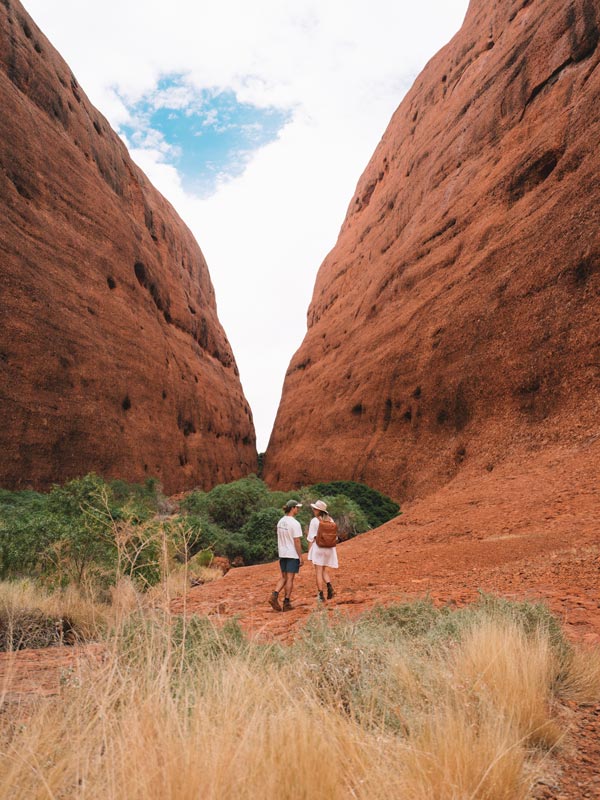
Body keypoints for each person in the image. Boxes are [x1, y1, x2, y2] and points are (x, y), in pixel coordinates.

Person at [269, 499, 303, 612]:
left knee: (284, 577)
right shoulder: (295, 523)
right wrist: (300, 557)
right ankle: (286, 602)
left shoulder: (280, 522)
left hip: (282, 553)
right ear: (292, 508)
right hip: (292, 554)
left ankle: (274, 595)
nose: (298, 509)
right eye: (297, 507)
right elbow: (297, 541)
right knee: (290, 579)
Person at [307, 499, 338, 603]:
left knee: (318, 571)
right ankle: (330, 588)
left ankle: (320, 595)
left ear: (319, 511)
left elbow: (311, 538)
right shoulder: (331, 520)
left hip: (318, 548)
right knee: (323, 570)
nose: (313, 510)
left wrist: (309, 553)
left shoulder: (314, 521)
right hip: (329, 549)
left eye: (315, 509)